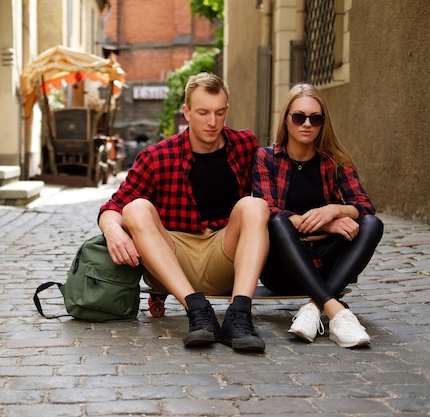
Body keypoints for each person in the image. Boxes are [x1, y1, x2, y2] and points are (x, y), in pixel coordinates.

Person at [98, 72, 269, 352]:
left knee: (255, 205)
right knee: (136, 208)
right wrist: (113, 230)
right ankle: (197, 310)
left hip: (223, 254)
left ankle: (239, 315)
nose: (212, 122)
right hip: (171, 258)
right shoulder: (157, 156)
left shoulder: (245, 144)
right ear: (187, 113)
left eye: (219, 112)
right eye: (203, 112)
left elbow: (273, 193)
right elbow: (113, 207)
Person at [252, 83, 384, 348]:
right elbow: (267, 209)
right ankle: (336, 311)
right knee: (278, 221)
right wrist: (330, 226)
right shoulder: (266, 158)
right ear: (286, 119)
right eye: (299, 117)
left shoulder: (335, 161)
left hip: (326, 265)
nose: (307, 124)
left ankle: (314, 307)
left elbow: (364, 206)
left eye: (315, 118)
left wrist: (334, 210)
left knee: (372, 224)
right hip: (282, 267)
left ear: (323, 123)